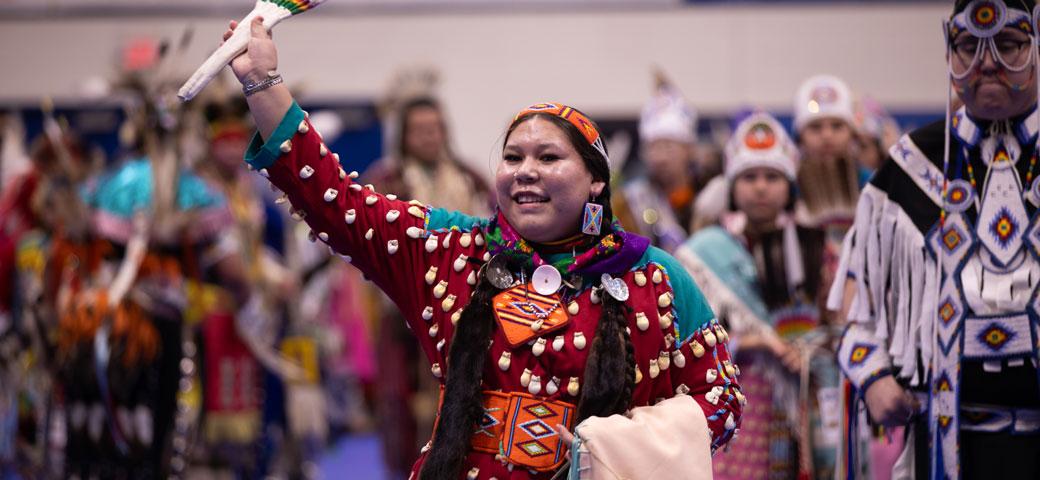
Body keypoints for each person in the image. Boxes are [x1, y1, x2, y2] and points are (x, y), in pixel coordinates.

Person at [221, 17, 742, 478]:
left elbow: (719, 399)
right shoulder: (454, 251)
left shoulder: (654, 277)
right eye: (513, 157)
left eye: (548, 157)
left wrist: (612, 448)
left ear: (596, 183)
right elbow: (336, 202)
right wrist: (263, 83)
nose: (526, 171)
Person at [831, 1, 1040, 478]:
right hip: (945, 447)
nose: (986, 61)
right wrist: (875, 376)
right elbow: (855, 308)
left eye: (1007, 44)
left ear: (1037, 45)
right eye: (968, 46)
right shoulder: (911, 168)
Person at [677, 112, 834, 479]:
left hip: (804, 401)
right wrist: (752, 342)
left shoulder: (818, 250)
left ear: (790, 185)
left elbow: (842, 325)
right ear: (732, 186)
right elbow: (683, 340)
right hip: (736, 398)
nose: (761, 187)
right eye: (749, 177)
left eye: (772, 176)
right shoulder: (703, 254)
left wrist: (812, 349)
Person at [617, 77, 704, 252]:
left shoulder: (710, 198)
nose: (660, 158)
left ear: (690, 150)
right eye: (653, 148)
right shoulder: (627, 202)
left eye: (669, 147)